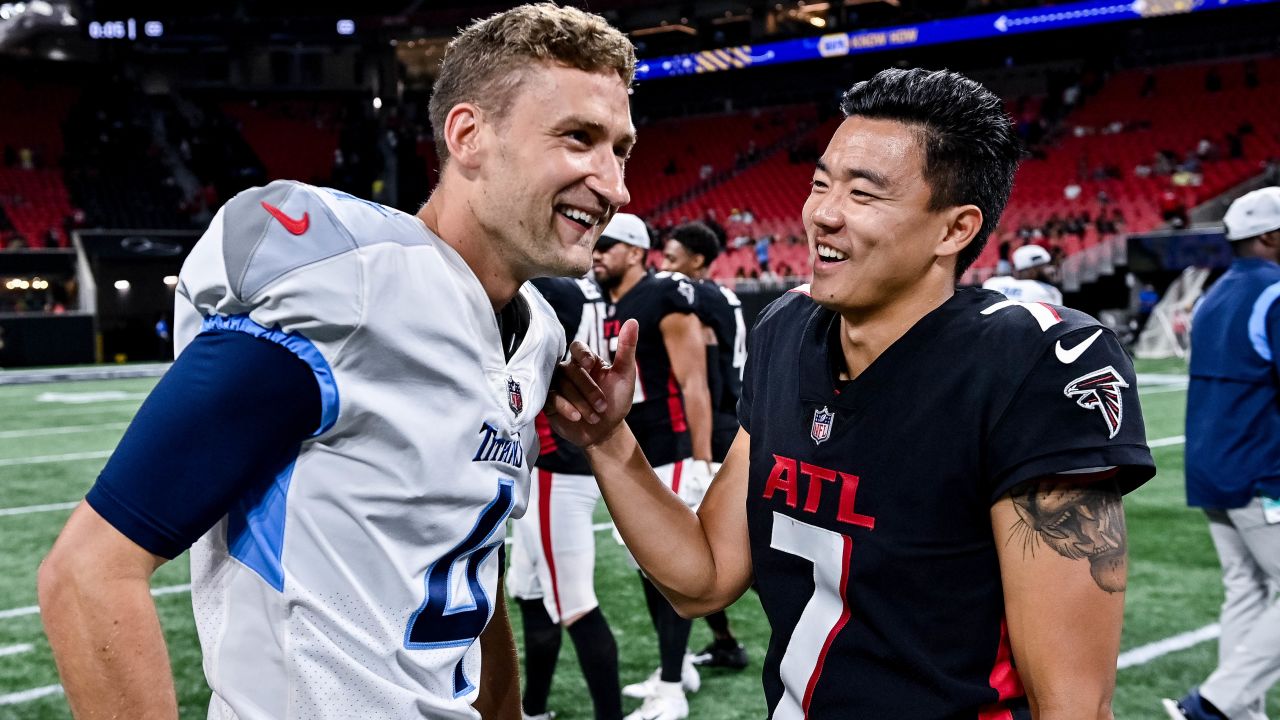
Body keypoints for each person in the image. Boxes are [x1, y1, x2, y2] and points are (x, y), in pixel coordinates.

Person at [36, 5, 636, 719]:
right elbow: (87, 573)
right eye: (578, 139)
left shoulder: (535, 333)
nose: (615, 185)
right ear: (470, 137)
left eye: (622, 149)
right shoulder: (350, 284)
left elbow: (473, 577)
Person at [551, 68, 1155, 718]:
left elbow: (1072, 702)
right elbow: (704, 580)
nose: (823, 214)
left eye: (863, 194)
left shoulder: (1033, 361)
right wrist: (608, 441)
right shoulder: (786, 328)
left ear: (954, 230)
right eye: (819, 184)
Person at [1163, 186, 1280, 720]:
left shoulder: (1213, 295)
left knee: (1247, 589)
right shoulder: (1275, 293)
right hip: (1261, 467)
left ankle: (1237, 714)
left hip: (1211, 461)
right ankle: (1215, 705)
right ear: (1271, 237)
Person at [592, 212, 714, 720]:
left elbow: (694, 382)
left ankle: (671, 687)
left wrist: (703, 457)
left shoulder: (664, 294)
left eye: (609, 246)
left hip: (673, 453)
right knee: (649, 572)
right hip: (638, 456)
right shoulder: (612, 303)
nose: (597, 254)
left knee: (674, 574)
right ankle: (677, 664)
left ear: (637, 251)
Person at [509, 273, 623, 720]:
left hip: (557, 465)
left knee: (574, 603)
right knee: (529, 591)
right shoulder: (583, 287)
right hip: (554, 464)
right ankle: (532, 707)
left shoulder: (554, 288)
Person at [658, 221, 751, 671]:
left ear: (696, 261)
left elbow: (705, 373)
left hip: (717, 432)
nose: (664, 268)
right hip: (726, 425)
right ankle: (725, 642)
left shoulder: (701, 299)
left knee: (705, 557)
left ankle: (673, 674)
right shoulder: (722, 298)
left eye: (672, 260)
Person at [982, 244, 1064, 304]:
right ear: (1029, 271)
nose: (1049, 270)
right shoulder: (1049, 291)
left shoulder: (992, 284)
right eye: (1042, 266)